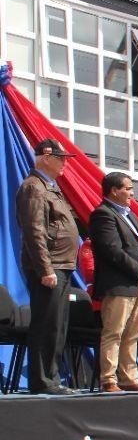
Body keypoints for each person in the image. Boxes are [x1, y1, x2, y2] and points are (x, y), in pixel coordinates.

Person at [15, 138, 80, 395]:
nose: (64, 163)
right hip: (50, 266)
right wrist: (45, 269)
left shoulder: (50, 186)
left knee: (58, 325)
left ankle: (51, 378)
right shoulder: (34, 187)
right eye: (61, 157)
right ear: (45, 156)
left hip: (61, 264)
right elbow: (34, 231)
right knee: (46, 324)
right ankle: (43, 381)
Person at [90, 171, 138, 393]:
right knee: (114, 332)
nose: (132, 192)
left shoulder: (130, 215)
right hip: (118, 284)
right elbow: (112, 250)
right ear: (114, 190)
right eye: (128, 188)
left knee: (133, 333)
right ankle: (109, 379)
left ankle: (129, 378)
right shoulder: (103, 214)